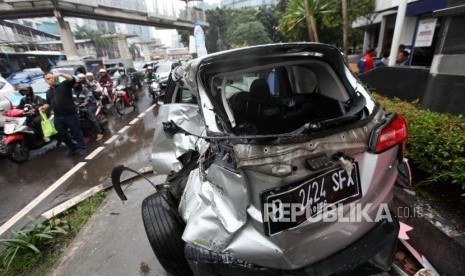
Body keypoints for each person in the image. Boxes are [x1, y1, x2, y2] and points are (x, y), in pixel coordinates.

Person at [39, 71, 87, 156]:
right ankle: (72, 147)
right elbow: (49, 103)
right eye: (47, 79)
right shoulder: (48, 92)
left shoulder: (64, 85)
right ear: (45, 81)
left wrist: (61, 74)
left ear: (55, 77)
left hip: (70, 114)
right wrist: (45, 106)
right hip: (58, 116)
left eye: (51, 77)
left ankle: (82, 148)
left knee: (76, 132)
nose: (50, 80)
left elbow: (72, 79)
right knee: (60, 133)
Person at [73, 76, 103, 140]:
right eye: (74, 83)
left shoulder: (84, 89)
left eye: (76, 83)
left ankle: (99, 133)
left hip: (90, 105)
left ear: (79, 83)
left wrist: (85, 102)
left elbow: (88, 96)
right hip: (78, 107)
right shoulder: (72, 91)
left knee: (91, 117)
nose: (75, 84)